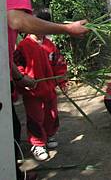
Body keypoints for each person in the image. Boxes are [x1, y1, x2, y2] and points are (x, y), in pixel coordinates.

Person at [6, 0, 88, 180]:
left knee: (10, 127)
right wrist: (67, 28)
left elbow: (5, 49)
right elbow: (17, 20)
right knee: (10, 129)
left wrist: (17, 77)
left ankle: (12, 171)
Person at [13, 8, 68, 162]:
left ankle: (50, 135)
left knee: (51, 115)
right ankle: (37, 144)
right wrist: (23, 80)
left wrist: (62, 80)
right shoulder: (24, 45)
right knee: (35, 117)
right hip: (33, 91)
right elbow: (18, 65)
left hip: (49, 89)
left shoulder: (50, 45)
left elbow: (58, 64)